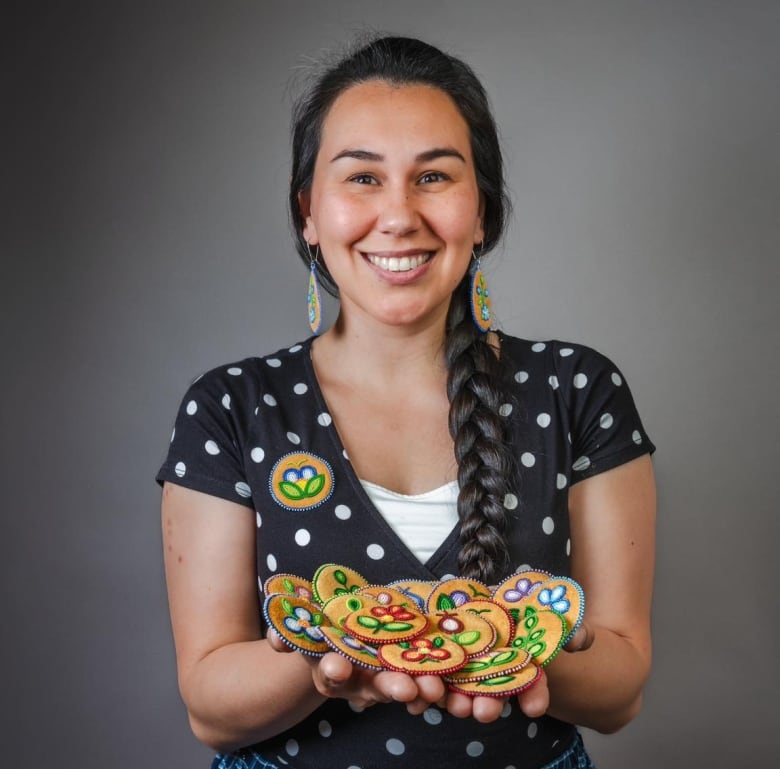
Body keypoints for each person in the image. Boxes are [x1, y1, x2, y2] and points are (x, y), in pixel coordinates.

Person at [157, 35, 656, 769]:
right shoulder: (233, 408)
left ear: (481, 211)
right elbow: (209, 705)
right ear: (308, 213)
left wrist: (497, 655)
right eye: (362, 178)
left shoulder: (578, 391)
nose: (398, 215)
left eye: (434, 176)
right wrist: (342, 662)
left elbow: (622, 689)